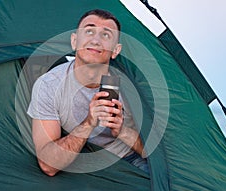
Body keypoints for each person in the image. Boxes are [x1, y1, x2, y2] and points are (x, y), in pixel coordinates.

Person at [27, 9, 148, 176]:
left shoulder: (134, 87)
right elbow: (48, 166)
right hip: (82, 165)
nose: (96, 40)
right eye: (89, 31)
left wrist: (121, 131)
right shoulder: (49, 85)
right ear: (74, 41)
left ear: (115, 50)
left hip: (131, 160)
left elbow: (161, 153)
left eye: (106, 35)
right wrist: (89, 123)